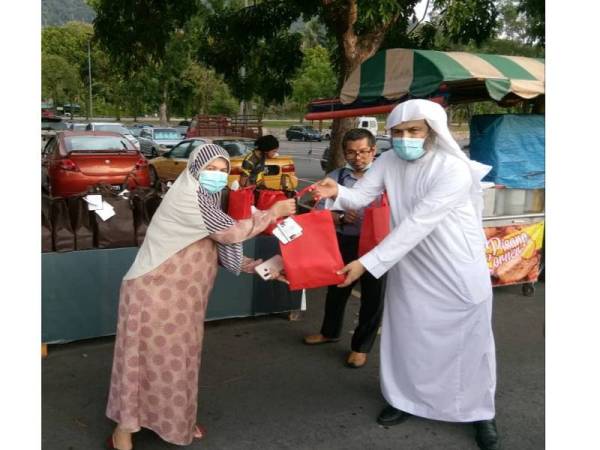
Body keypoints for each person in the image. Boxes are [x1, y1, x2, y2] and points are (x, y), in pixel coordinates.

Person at [311, 100, 500, 450]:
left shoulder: (452, 169)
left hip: (456, 265)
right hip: (411, 265)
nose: (405, 138)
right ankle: (407, 400)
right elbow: (362, 196)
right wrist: (337, 191)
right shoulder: (388, 161)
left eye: (414, 131)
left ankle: (478, 411)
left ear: (432, 132)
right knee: (410, 338)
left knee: (468, 343)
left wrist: (367, 262)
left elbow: (419, 223)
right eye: (398, 132)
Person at [106, 143, 296, 450]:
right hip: (152, 293)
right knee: (141, 362)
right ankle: (123, 430)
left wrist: (259, 267)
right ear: (195, 169)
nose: (217, 176)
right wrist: (273, 212)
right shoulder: (188, 198)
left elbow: (214, 248)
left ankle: (173, 419)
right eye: (210, 169)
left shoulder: (208, 199)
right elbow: (231, 234)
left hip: (183, 300)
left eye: (223, 170)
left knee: (177, 362)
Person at [303, 128, 384, 369]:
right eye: (351, 152)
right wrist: (339, 219)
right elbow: (317, 211)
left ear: (373, 151)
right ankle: (329, 332)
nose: (357, 157)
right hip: (344, 242)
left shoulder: (386, 177)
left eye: (363, 152)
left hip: (379, 245)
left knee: (373, 297)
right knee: (337, 291)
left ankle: (361, 347)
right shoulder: (336, 177)